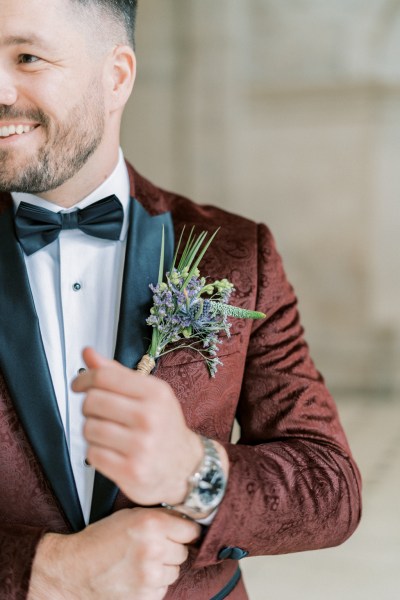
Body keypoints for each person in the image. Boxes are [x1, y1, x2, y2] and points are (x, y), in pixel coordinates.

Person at [0, 0, 362, 599]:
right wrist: (41, 569)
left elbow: (331, 490)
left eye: (28, 56)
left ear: (116, 76)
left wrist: (193, 470)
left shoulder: (238, 253)